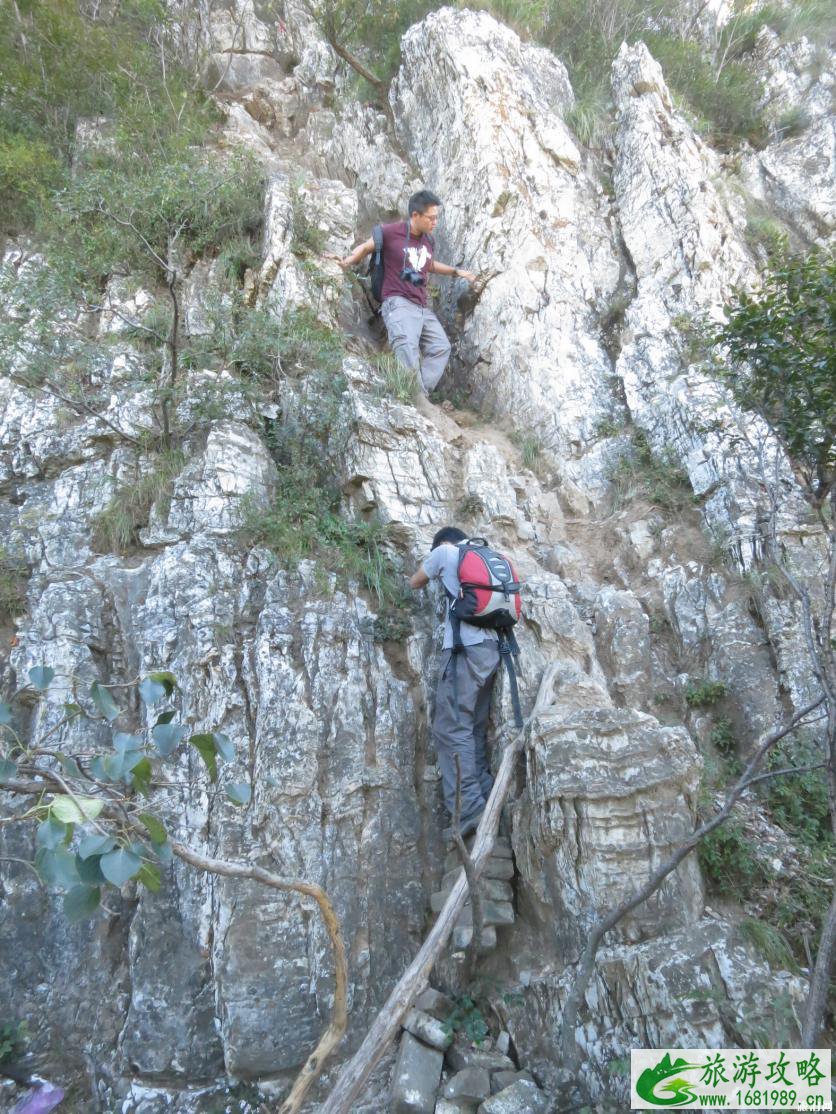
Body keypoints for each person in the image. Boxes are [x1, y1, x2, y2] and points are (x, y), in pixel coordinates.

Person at [338, 190, 477, 406]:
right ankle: (416, 401)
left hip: (421, 306)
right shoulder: (391, 232)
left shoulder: (428, 241)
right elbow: (366, 247)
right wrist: (346, 262)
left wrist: (457, 272)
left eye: (436, 217)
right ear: (415, 215)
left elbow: (428, 264)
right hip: (398, 302)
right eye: (431, 218)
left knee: (441, 347)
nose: (435, 222)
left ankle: (418, 394)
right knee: (407, 346)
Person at [409, 526, 500, 839]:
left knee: (450, 730)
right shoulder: (489, 555)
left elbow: (415, 581)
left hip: (465, 650)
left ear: (444, 543)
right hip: (493, 650)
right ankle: (486, 800)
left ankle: (468, 811)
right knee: (472, 729)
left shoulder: (445, 552)